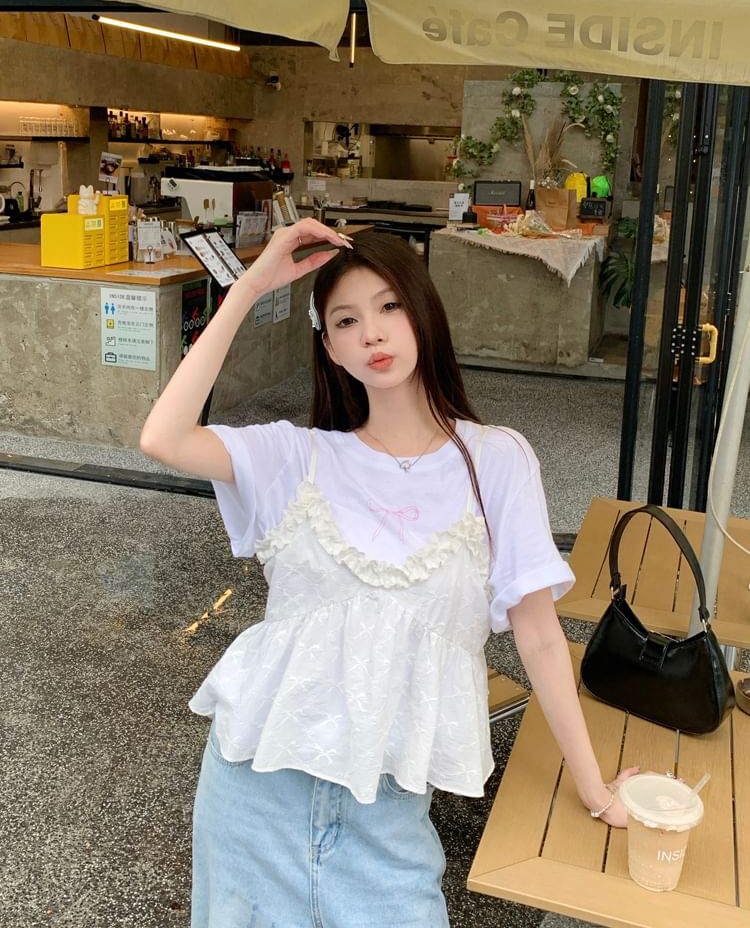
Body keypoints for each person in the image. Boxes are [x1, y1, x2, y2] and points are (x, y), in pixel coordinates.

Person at [141, 218, 638, 928]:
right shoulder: (298, 457)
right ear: (331, 347)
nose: (371, 333)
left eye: (389, 306)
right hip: (253, 798)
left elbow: (538, 637)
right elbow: (162, 437)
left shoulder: (495, 460)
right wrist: (249, 288)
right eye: (346, 320)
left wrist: (595, 790)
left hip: (386, 818)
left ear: (423, 313)